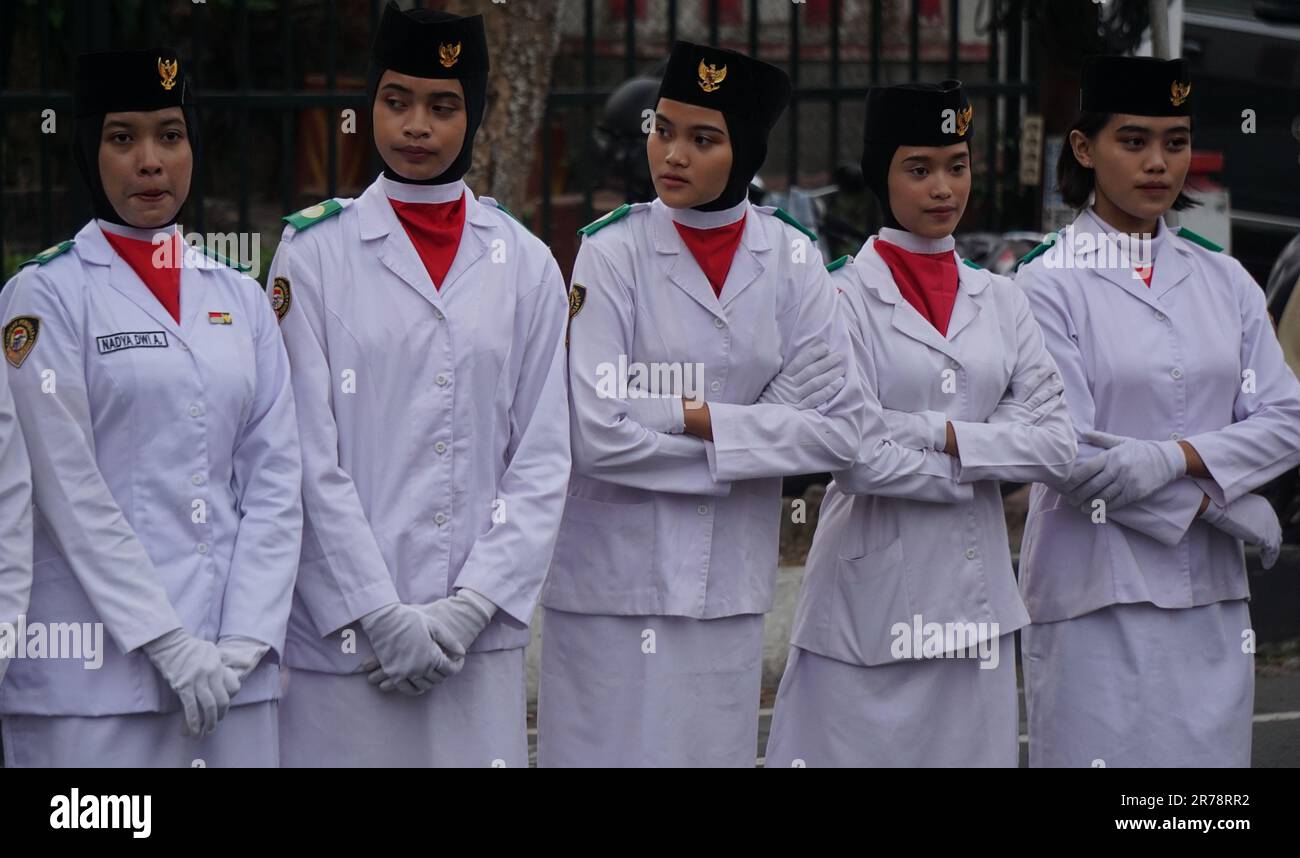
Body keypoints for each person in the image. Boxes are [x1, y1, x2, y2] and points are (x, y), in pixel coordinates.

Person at [538, 40, 869, 768]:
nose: (673, 154)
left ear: (745, 150)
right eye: (664, 129)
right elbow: (595, 432)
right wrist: (751, 443)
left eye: (703, 138)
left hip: (726, 588)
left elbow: (842, 434)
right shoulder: (612, 251)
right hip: (610, 586)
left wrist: (690, 416)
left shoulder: (790, 258)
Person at [270, 2, 570, 768]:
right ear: (369, 103)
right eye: (395, 100)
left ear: (474, 115)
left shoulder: (526, 263)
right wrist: (379, 611)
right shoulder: (312, 255)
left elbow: (541, 457)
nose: (415, 126)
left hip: (473, 644)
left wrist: (470, 608)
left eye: (442, 106)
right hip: (348, 642)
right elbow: (306, 455)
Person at [0, 48, 302, 767]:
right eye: (122, 137)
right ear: (87, 149)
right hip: (95, 682)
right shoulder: (45, 297)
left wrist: (244, 641)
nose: (150, 162)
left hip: (231, 681)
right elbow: (68, 488)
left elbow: (275, 480)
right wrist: (165, 639)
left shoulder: (238, 296)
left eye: (170, 135)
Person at [763, 80, 1076, 768]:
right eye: (920, 168)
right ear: (883, 173)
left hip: (978, 598)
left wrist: (939, 434)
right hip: (868, 606)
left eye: (956, 166)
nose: (943, 187)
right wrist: (995, 448)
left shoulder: (1002, 296)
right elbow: (857, 454)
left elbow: (1055, 442)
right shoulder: (839, 296)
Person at [1015, 54, 1300, 767]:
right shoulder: (1046, 282)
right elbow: (1070, 453)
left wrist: (1172, 457)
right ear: (1084, 148)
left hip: (1209, 601)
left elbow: (1287, 417)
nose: (1158, 164)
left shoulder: (1224, 277)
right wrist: (1219, 508)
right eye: (1133, 141)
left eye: (1174, 142)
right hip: (1092, 592)